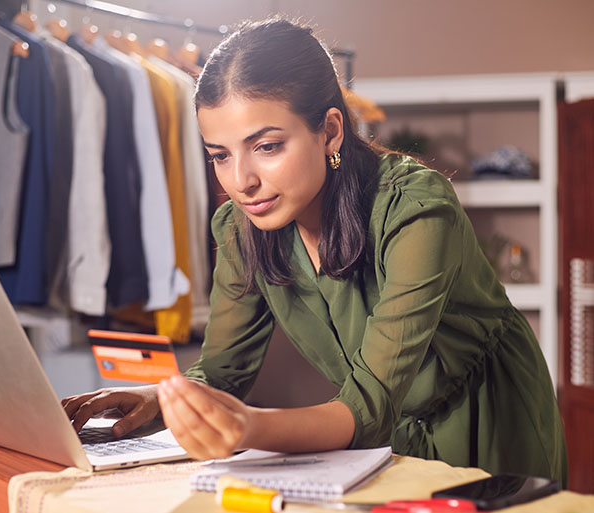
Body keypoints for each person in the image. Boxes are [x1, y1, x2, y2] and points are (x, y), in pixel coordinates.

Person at [62, 17, 567, 485]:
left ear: (329, 131)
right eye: (220, 155)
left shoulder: (416, 209)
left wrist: (249, 429)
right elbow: (221, 373)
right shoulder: (242, 229)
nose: (241, 181)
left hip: (488, 417)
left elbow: (367, 405)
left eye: (267, 146)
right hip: (385, 433)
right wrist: (157, 398)